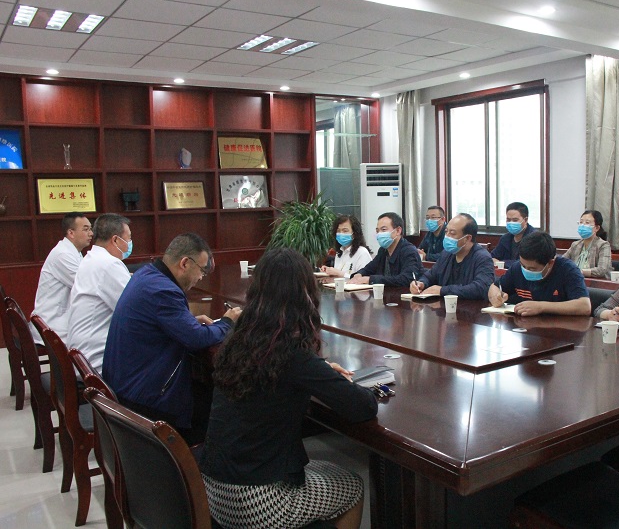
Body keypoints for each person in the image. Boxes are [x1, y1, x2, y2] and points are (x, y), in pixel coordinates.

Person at [201, 248, 377, 529]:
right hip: (258, 500)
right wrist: (333, 380)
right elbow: (363, 407)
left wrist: (319, 371)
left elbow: (276, 375)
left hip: (213, 490)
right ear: (304, 294)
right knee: (352, 486)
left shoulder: (237, 338)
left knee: (325, 471)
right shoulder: (292, 353)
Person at [103, 233, 242, 444]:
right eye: (202, 270)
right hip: (144, 399)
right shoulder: (164, 291)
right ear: (185, 263)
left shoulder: (146, 275)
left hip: (126, 386)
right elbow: (196, 339)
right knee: (224, 407)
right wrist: (226, 322)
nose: (201, 278)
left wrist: (187, 322)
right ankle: (204, 461)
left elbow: (158, 323)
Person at [66, 214, 133, 374]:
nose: (130, 243)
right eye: (129, 238)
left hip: (82, 355)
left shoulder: (93, 258)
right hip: (94, 363)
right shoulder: (109, 264)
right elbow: (136, 311)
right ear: (115, 240)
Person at [488, 231, 591, 316]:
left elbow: (585, 306)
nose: (526, 270)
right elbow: (495, 287)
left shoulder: (568, 269)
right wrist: (495, 297)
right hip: (525, 328)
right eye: (523, 266)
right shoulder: (517, 268)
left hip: (560, 330)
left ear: (550, 263)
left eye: (532, 268)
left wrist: (541, 307)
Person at [29, 212, 93, 343]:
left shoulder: (73, 252)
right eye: (86, 229)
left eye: (90, 229)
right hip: (52, 325)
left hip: (60, 319)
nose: (91, 233)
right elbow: (86, 286)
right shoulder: (63, 255)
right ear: (71, 233)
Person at [410, 213, 494, 300]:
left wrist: (442, 290)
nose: (447, 236)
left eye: (452, 233)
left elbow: (480, 288)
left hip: (471, 307)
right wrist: (421, 283)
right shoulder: (446, 254)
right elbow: (430, 275)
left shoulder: (482, 258)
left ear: (467, 238)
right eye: (446, 232)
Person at [349, 212, 422, 287]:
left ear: (398, 231)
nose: (379, 234)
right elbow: (369, 268)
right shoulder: (383, 250)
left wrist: (370, 279)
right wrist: (359, 274)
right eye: (377, 231)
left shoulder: (409, 251)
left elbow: (406, 279)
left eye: (383, 230)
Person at [563, 210, 612, 280]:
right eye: (581, 222)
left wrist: (580, 272)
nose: (583, 225)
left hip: (595, 284)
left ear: (597, 228)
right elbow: (562, 262)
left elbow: (602, 270)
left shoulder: (603, 245)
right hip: (575, 281)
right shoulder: (575, 245)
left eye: (587, 223)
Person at [491, 202, 536, 268]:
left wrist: (502, 263)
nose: (511, 223)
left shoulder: (535, 239)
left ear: (525, 220)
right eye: (508, 220)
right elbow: (492, 257)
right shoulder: (505, 238)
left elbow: (526, 263)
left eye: (515, 220)